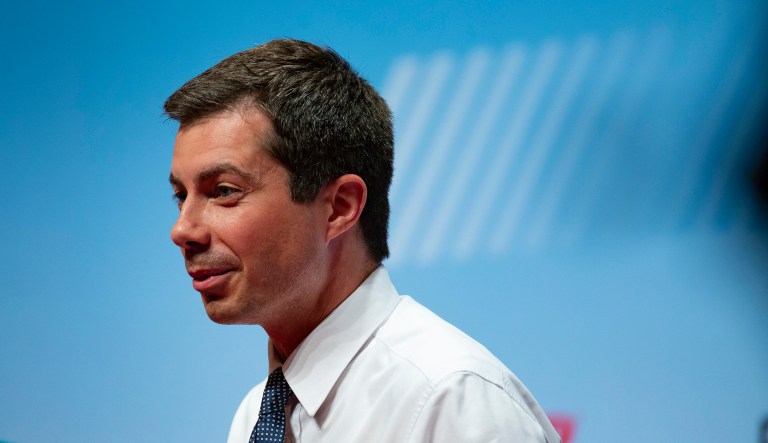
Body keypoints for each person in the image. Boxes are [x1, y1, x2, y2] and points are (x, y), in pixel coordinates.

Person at [164, 38, 560, 443]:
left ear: (338, 207)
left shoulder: (451, 400)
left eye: (224, 191)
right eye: (181, 196)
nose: (183, 230)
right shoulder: (254, 416)